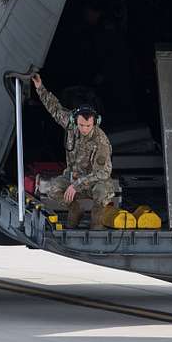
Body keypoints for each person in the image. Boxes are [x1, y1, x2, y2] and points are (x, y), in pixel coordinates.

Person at [31, 73, 114, 228]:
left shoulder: (100, 141)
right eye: (81, 125)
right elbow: (54, 108)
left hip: (94, 182)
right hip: (73, 178)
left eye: (88, 126)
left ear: (95, 123)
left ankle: (97, 221)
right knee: (52, 189)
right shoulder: (71, 125)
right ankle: (75, 210)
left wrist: (77, 185)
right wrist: (39, 87)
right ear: (75, 121)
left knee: (102, 193)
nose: (84, 129)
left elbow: (102, 173)